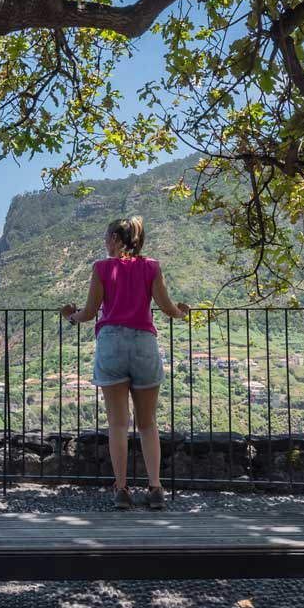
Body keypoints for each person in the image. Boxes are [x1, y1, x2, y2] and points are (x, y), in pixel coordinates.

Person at [59, 216, 190, 510]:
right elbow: (167, 308)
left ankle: (121, 489)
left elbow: (90, 313)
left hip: (112, 344)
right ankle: (155, 488)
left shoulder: (102, 269)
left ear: (117, 240)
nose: (105, 243)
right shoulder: (151, 267)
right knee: (147, 423)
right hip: (144, 343)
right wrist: (182, 312)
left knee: (118, 424)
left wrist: (70, 315)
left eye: (107, 238)